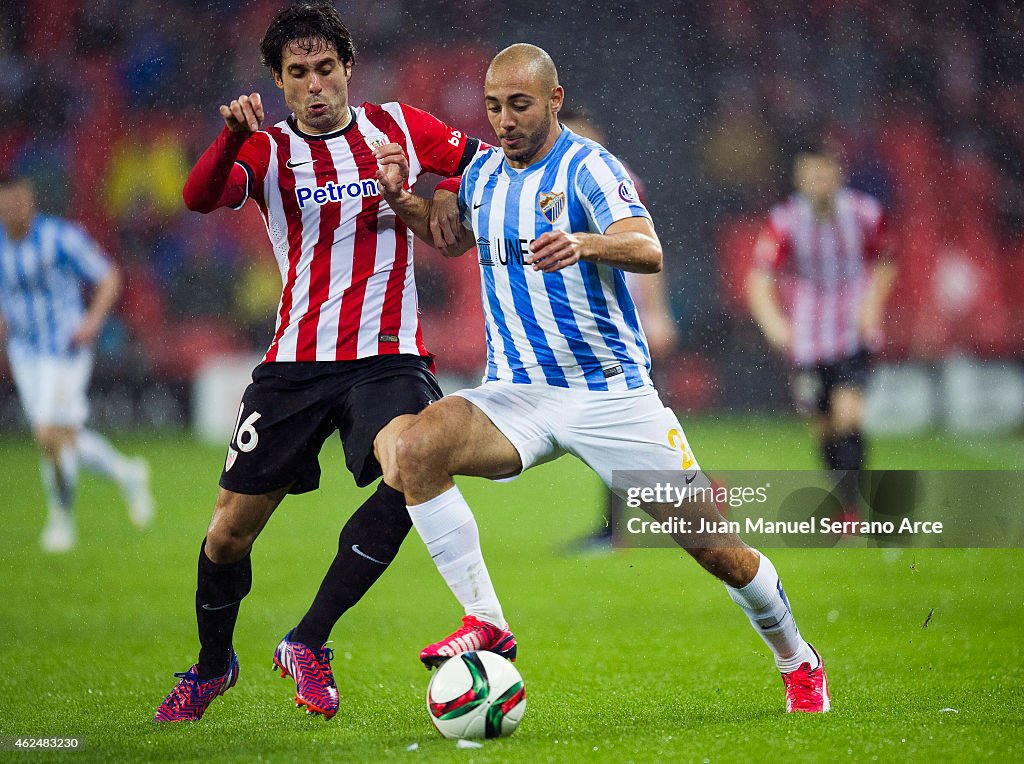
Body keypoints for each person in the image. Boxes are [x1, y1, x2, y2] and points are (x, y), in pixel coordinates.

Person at [376, 44, 830, 713]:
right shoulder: (480, 174)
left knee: (719, 553)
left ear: (554, 101)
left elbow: (647, 247)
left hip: (610, 395)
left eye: (520, 105)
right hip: (518, 392)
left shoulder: (590, 167)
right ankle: (488, 623)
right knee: (417, 449)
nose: (504, 120)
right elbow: (451, 240)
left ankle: (797, 658)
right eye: (495, 107)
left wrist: (584, 243)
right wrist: (403, 201)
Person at [153, 1, 481, 723]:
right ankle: (213, 667)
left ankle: (309, 639)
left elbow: (474, 162)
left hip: (385, 359)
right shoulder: (266, 149)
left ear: (348, 70)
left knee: (415, 466)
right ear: (277, 80)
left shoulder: (397, 125)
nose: (314, 84)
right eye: (297, 73)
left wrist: (449, 190)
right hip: (294, 365)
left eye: (326, 68)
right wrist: (227, 137)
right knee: (228, 533)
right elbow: (197, 197)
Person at [0, 172, 154, 554]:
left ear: (31, 201)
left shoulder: (59, 237)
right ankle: (127, 473)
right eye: (6, 203)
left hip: (65, 348)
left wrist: (92, 322)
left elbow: (108, 277)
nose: (13, 209)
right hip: (25, 352)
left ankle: (61, 520)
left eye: (19, 201)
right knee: (60, 438)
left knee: (48, 434)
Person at [747, 145, 896, 517]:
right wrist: (774, 323)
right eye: (811, 175)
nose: (819, 182)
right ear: (800, 179)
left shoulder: (864, 212)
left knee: (848, 416)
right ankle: (843, 500)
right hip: (808, 337)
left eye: (825, 173)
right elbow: (759, 278)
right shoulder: (784, 221)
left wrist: (872, 305)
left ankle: (851, 510)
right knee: (824, 427)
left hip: (851, 331)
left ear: (838, 175)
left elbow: (886, 260)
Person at [556, 107, 678, 555]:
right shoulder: (557, 179)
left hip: (626, 326)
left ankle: (639, 521)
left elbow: (648, 248)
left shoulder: (613, 176)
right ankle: (618, 527)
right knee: (615, 428)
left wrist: (658, 313)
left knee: (630, 424)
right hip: (594, 325)